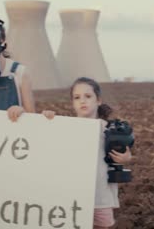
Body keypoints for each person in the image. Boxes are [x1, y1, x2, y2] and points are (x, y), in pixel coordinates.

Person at [41, 77, 132, 229]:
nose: (82, 101)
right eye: (77, 98)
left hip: (100, 197)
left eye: (88, 96)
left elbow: (125, 155)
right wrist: (47, 120)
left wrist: (126, 158)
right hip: (71, 197)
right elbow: (47, 146)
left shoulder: (109, 129)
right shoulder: (65, 128)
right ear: (73, 103)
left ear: (98, 100)